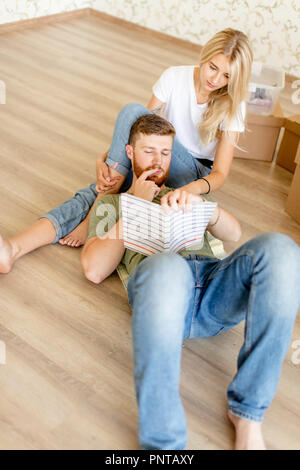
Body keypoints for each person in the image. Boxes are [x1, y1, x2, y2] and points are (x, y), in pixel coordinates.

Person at [81, 114, 300, 450]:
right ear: (129, 152)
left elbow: (235, 234)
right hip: (164, 293)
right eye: (148, 152)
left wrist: (208, 211)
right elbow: (94, 269)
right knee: (168, 264)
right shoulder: (112, 203)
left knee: (283, 249)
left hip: (215, 285)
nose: (157, 162)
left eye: (165, 153)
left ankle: (248, 414)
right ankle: (163, 445)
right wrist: (136, 206)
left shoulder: (183, 193)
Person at [0, 28, 252, 273]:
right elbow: (140, 132)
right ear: (205, 55)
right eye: (213, 67)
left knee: (131, 114)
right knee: (94, 191)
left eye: (227, 76)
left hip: (190, 173)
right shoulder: (175, 76)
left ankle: (93, 215)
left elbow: (219, 173)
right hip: (155, 153)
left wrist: (189, 190)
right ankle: (13, 248)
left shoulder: (233, 103)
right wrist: (108, 158)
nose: (215, 80)